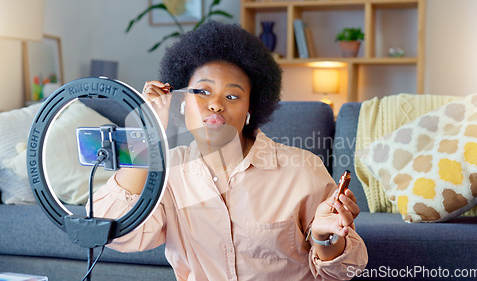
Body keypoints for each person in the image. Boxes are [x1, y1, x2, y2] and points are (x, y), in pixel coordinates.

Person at [92, 21, 368, 280]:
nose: (215, 104)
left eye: (232, 96)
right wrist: (146, 131)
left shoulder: (301, 170)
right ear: (180, 102)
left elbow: (347, 270)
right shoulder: (169, 173)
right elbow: (111, 232)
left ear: (250, 108)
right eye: (201, 92)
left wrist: (324, 236)